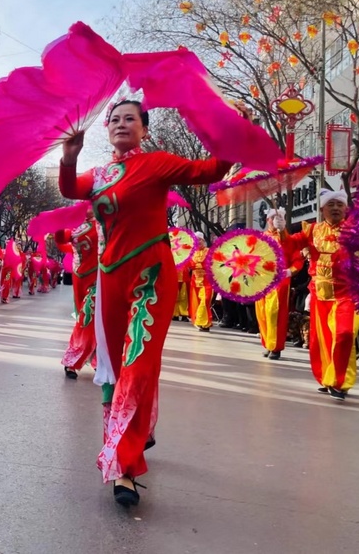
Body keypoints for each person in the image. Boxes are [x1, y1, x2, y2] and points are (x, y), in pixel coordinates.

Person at [59, 99, 230, 506]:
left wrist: (229, 130)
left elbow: (210, 170)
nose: (121, 124)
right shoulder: (98, 175)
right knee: (115, 368)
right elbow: (69, 189)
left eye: (130, 119)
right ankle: (134, 434)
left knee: (138, 363)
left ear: (144, 129)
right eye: (114, 119)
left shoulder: (158, 163)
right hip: (109, 278)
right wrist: (69, 156)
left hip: (151, 276)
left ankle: (124, 466)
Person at [288, 190, 359, 401]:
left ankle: (339, 381)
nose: (335, 208)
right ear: (322, 208)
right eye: (331, 204)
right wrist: (281, 229)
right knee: (322, 340)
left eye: (339, 204)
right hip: (320, 293)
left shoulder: (355, 231)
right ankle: (328, 377)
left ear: (346, 208)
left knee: (344, 334)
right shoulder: (312, 230)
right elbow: (290, 244)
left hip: (347, 294)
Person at [255, 208, 304, 360]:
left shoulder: (288, 239)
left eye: (279, 217)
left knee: (274, 313)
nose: (275, 220)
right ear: (267, 220)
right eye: (273, 218)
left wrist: (289, 271)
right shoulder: (261, 238)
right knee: (262, 314)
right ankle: (267, 343)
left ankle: (275, 347)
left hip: (279, 280)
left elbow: (297, 260)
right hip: (261, 280)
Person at [55, 211, 99, 379]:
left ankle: (76, 361)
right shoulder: (75, 229)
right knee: (86, 319)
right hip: (80, 282)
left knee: (90, 320)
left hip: (101, 280)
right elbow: (61, 241)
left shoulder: (107, 224)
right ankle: (94, 361)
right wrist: (58, 222)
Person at [188, 231, 213, 332]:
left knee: (205, 300)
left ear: (203, 240)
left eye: (199, 240)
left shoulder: (209, 251)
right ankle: (206, 324)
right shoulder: (191, 253)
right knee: (197, 303)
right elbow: (188, 265)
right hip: (195, 282)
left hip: (207, 282)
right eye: (196, 240)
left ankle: (200, 321)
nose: (198, 242)